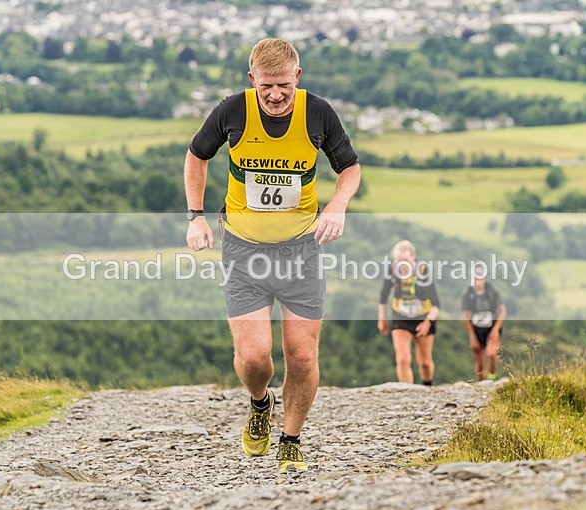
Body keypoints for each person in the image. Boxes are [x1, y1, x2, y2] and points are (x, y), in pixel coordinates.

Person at [184, 38, 361, 473]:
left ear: (296, 78)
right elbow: (196, 155)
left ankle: (291, 439)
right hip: (243, 250)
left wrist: (336, 207)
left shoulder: (318, 113)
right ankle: (260, 404)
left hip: (301, 249)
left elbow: (350, 169)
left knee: (302, 354)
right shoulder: (232, 111)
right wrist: (196, 216)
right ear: (252, 81)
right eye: (267, 87)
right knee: (253, 356)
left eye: (284, 84)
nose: (276, 94)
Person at [377, 240, 441, 385]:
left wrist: (428, 322)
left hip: (424, 318)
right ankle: (408, 392)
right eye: (399, 261)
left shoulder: (423, 271)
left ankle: (427, 386)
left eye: (405, 260)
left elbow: (436, 304)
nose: (402, 265)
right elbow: (383, 296)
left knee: (424, 361)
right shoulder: (392, 270)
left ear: (413, 258)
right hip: (400, 316)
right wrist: (381, 319)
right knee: (403, 359)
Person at [461, 266, 506, 382]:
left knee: (491, 353)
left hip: (491, 327)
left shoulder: (492, 291)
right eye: (476, 279)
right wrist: (472, 337)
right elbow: (466, 316)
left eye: (481, 278)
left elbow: (502, 311)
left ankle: (492, 378)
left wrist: (496, 330)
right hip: (476, 329)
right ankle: (481, 384)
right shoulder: (468, 293)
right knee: (479, 362)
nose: (478, 281)